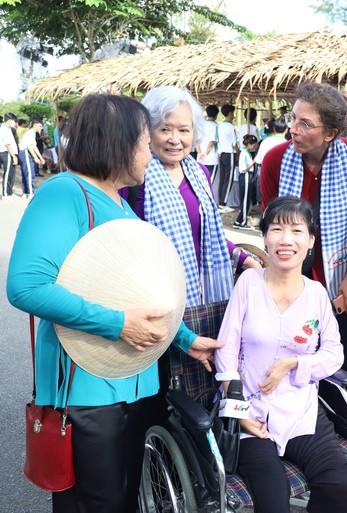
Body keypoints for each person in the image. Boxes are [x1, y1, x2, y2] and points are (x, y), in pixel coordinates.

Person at [6, 94, 222, 513]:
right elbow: (26, 287)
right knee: (96, 500)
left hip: (136, 381)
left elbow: (136, 294)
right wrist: (117, 324)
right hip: (86, 390)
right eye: (144, 141)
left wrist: (185, 339)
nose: (150, 152)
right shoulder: (64, 194)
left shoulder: (120, 202)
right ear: (116, 143)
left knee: (123, 496)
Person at [214, 195, 347, 513]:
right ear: (264, 237)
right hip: (252, 413)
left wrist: (297, 363)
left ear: (310, 241)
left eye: (297, 231)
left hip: (301, 413)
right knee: (273, 497)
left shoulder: (317, 293)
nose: (286, 239)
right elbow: (225, 352)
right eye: (277, 229)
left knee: (340, 483)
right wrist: (238, 413)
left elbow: (334, 353)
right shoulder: (249, 285)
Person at [132, 86, 260, 409]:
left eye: (184, 130)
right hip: (156, 297)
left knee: (203, 379)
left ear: (195, 133)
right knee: (162, 389)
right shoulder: (137, 176)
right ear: (148, 132)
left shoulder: (200, 172)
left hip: (203, 299)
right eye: (165, 129)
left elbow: (209, 234)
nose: (175, 138)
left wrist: (243, 257)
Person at [260, 82, 347, 411]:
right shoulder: (274, 160)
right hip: (289, 281)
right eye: (292, 118)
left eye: (305, 124)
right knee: (289, 361)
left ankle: (337, 441)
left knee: (336, 367)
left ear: (331, 133)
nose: (292, 129)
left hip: (339, 278)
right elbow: (273, 230)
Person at [254, 117, 289, 204]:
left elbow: (258, 160)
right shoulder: (288, 144)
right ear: (286, 130)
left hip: (265, 175)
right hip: (282, 176)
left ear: (273, 129)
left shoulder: (265, 142)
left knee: (267, 201)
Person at [233, 134, 259, 229]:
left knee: (246, 199)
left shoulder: (246, 152)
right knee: (245, 200)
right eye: (253, 145)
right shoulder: (244, 153)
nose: (254, 147)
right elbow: (244, 169)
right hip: (246, 176)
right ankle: (243, 222)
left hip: (248, 176)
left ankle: (238, 221)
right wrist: (254, 161)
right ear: (248, 144)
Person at [216, 104, 240, 211]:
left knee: (222, 179)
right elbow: (234, 143)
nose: (233, 115)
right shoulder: (231, 127)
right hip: (230, 154)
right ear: (230, 114)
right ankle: (223, 203)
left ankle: (220, 201)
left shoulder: (219, 126)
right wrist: (238, 153)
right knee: (228, 179)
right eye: (233, 113)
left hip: (222, 154)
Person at [18, 119, 45, 199]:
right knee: (30, 173)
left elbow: (34, 146)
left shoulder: (32, 133)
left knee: (26, 173)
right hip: (26, 152)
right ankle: (30, 192)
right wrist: (36, 158)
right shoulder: (30, 133)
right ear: (34, 125)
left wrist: (40, 157)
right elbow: (30, 147)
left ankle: (25, 192)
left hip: (25, 152)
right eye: (40, 126)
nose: (41, 128)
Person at [196, 104, 220, 187]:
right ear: (216, 115)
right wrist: (205, 154)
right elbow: (211, 141)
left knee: (200, 181)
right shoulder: (215, 126)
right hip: (211, 159)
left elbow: (197, 141)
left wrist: (200, 153)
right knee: (209, 183)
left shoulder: (201, 125)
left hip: (200, 158)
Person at [1, 112, 19, 199]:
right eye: (14, 121)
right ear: (10, 120)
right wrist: (14, 156)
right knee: (7, 174)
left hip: (9, 153)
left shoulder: (7, 128)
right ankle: (5, 194)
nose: (14, 123)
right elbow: (7, 144)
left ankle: (10, 192)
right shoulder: (3, 129)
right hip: (6, 153)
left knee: (11, 174)